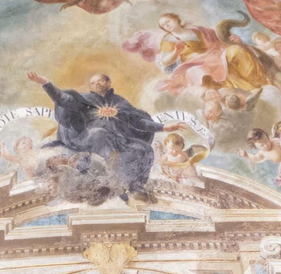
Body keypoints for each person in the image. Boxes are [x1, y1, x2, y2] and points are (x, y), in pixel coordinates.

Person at [26, 70, 182, 200]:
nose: (96, 84)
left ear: (108, 83)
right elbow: (63, 99)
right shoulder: (84, 100)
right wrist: (45, 83)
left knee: (143, 149)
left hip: (117, 141)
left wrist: (163, 127)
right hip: (86, 140)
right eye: (93, 83)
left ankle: (134, 189)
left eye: (100, 81)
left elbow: (137, 121)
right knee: (98, 134)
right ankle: (113, 180)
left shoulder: (119, 102)